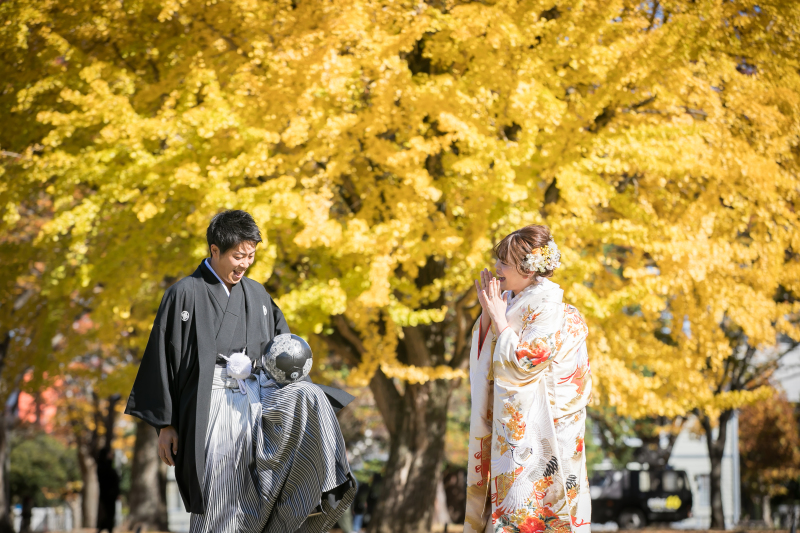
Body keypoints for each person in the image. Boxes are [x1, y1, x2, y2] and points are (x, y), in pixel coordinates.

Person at [125, 210, 290, 533]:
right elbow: (164, 358)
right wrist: (166, 424)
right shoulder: (184, 293)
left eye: (251, 256)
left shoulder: (258, 295)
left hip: (254, 401)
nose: (244, 264)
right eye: (237, 256)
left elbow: (281, 349)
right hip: (208, 404)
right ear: (214, 250)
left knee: (259, 489)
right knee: (216, 485)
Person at [464, 225, 592, 533]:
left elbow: (527, 362)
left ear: (528, 268)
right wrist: (489, 314)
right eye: (498, 260)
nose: (497, 268)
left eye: (504, 262)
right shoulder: (511, 299)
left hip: (547, 426)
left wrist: (497, 318)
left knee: (543, 504)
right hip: (514, 420)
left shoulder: (548, 305)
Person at [96, 446, 120, 533]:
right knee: (110, 514)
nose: (111, 455)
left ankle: (104, 528)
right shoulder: (103, 466)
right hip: (107, 495)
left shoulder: (108, 465)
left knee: (111, 514)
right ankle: (104, 528)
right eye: (109, 453)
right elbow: (108, 479)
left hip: (111, 495)